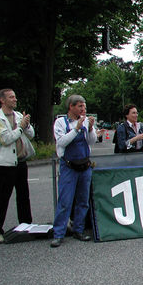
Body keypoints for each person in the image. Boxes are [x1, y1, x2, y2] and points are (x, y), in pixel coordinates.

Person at [0, 89, 35, 244]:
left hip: (21, 161)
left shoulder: (18, 116)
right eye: (11, 97)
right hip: (5, 164)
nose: (15, 99)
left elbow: (31, 135)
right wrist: (20, 127)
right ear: (3, 100)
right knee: (3, 197)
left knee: (24, 196)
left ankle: (27, 225)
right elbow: (6, 139)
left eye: (15, 96)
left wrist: (26, 125)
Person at [50, 95, 97, 247]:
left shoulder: (85, 122)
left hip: (84, 165)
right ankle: (59, 233)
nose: (83, 109)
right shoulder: (61, 122)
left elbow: (91, 141)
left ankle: (79, 229)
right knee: (65, 200)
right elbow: (62, 141)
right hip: (69, 166)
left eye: (84, 107)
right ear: (71, 107)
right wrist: (76, 128)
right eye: (80, 107)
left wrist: (90, 129)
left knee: (83, 201)